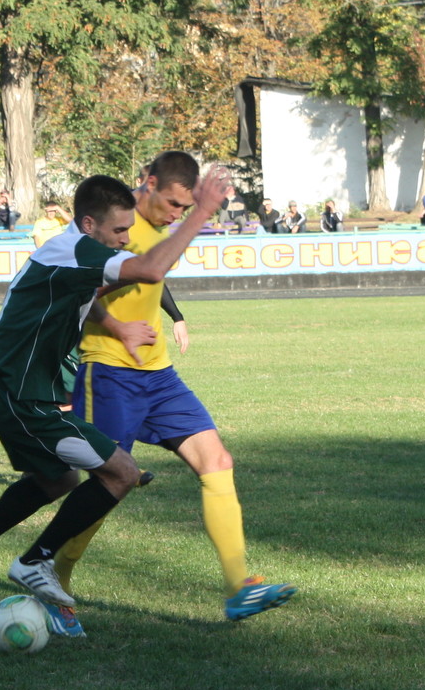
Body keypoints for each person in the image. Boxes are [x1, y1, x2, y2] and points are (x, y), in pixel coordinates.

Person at [0, 166, 231, 638]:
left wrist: (118, 327)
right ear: (89, 224)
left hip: (22, 391)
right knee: (122, 473)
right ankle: (35, 560)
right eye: (119, 230)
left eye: (129, 230)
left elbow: (87, 294)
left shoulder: (71, 253)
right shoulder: (73, 248)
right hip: (17, 394)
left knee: (59, 479)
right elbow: (151, 269)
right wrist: (203, 212)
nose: (125, 239)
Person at [60, 151, 298, 624]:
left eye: (185, 209)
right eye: (172, 204)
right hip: (109, 373)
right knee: (110, 486)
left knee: (217, 462)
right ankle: (53, 575)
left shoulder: (158, 227)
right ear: (147, 182)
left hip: (159, 375)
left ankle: (239, 587)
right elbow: (76, 292)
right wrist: (117, 328)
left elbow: (155, 276)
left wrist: (175, 316)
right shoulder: (114, 227)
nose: (176, 214)